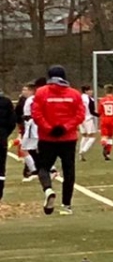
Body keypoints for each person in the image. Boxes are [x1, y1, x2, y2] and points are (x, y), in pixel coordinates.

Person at [32, 66, 87, 216]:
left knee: (43, 167)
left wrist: (49, 128)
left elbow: (36, 114)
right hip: (68, 138)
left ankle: (48, 189)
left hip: (47, 138)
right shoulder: (74, 94)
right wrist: (66, 127)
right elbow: (80, 115)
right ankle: (66, 205)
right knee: (69, 170)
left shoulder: (41, 92)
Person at [97, 84, 113, 161]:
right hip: (112, 119)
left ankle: (104, 144)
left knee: (104, 136)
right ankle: (108, 153)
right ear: (112, 91)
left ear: (105, 91)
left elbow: (99, 111)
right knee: (110, 137)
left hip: (104, 119)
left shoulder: (102, 100)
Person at [77, 83, 101, 159]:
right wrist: (100, 115)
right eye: (90, 90)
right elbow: (92, 111)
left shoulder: (79, 98)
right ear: (86, 91)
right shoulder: (90, 99)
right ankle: (83, 151)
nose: (91, 91)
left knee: (84, 136)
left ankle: (81, 154)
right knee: (92, 137)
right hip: (88, 119)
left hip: (80, 119)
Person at [0, 84, 14, 202]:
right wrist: (5, 134)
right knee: (1, 166)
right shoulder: (7, 102)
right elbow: (12, 122)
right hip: (1, 139)